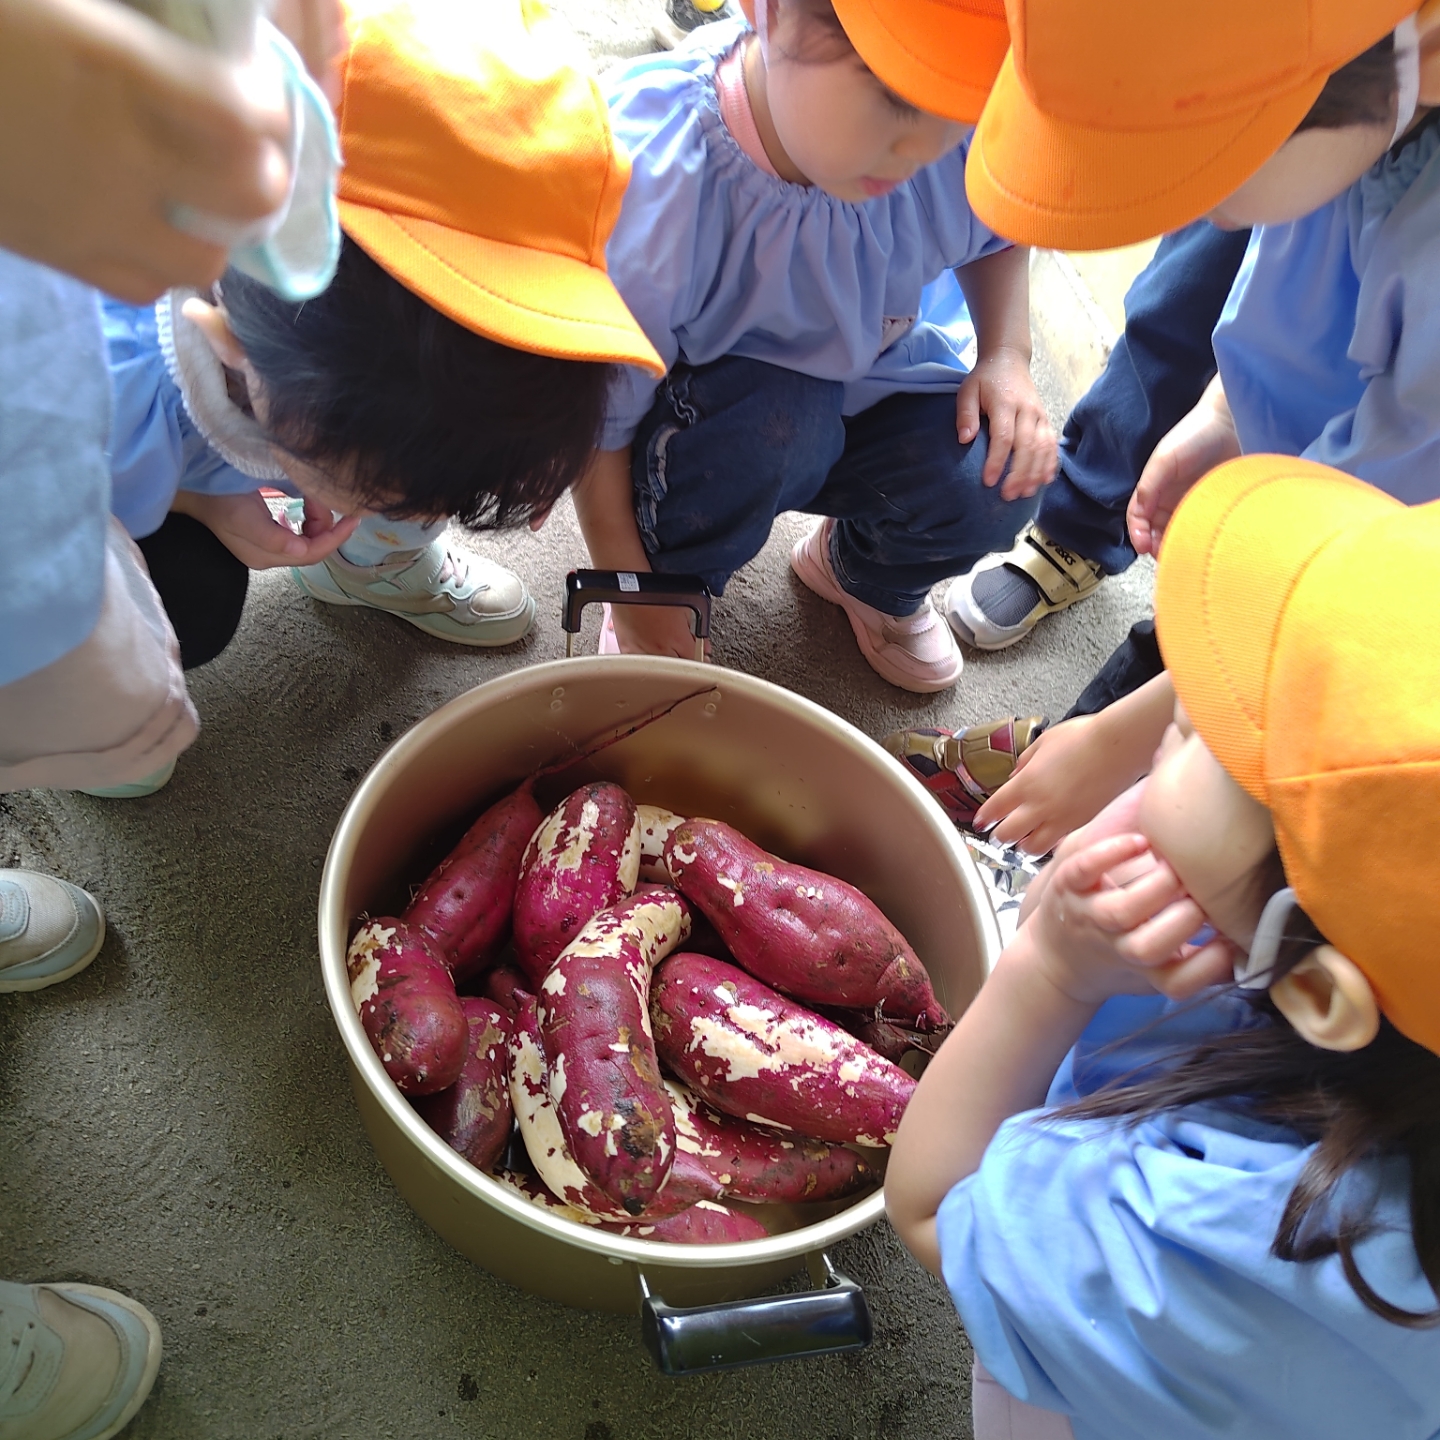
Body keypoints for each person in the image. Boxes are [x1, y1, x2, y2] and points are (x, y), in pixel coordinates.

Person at [886, 454, 1440, 1440]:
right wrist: (1125, 740)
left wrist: (1047, 972)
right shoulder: (1363, 986)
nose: (1189, 707)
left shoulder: (1236, 1241)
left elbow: (933, 1208)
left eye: (1201, 738)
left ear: (1319, 994)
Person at [98, 0, 664, 681]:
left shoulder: (313, 362)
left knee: (430, 447)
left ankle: (372, 568)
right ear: (231, 342)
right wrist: (195, 502)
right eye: (376, 498)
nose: (427, 510)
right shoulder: (99, 401)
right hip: (91, 485)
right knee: (188, 602)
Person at [572, 0, 1057, 692]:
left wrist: (1006, 353)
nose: (926, 147)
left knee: (997, 471)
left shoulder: (937, 147)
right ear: (769, 10)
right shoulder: (654, 176)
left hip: (863, 381)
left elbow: (997, 231)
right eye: (896, 98)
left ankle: (862, 574)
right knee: (781, 421)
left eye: (961, 107)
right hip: (704, 429)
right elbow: (595, 426)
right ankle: (672, 584)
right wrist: (631, 587)